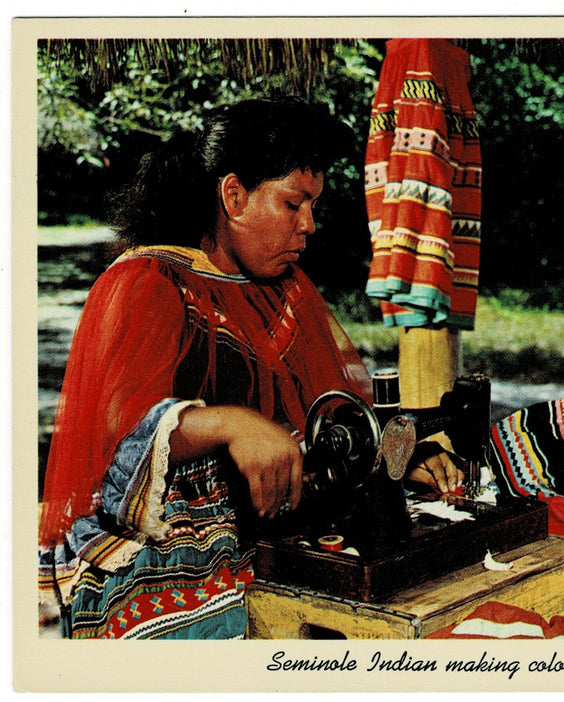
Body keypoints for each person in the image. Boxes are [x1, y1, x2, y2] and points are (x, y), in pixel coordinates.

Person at [37, 98, 462, 639]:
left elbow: (324, 415)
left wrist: (391, 458)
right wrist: (230, 424)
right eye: (293, 204)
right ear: (233, 196)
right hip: (162, 534)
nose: (309, 225)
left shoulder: (284, 290)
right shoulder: (151, 282)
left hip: (262, 525)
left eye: (314, 206)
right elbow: (120, 431)